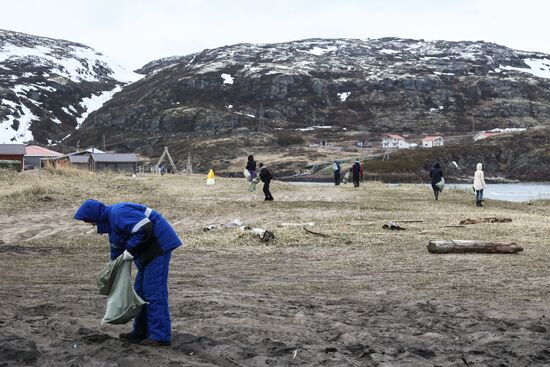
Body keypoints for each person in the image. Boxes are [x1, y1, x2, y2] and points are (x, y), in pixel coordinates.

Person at [74, 199, 182, 346]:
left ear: (95, 216)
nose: (90, 224)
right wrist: (113, 271)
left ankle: (160, 336)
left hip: (159, 247)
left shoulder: (119, 213)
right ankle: (140, 332)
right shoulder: (111, 225)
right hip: (146, 252)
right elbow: (117, 250)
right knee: (139, 292)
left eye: (89, 221)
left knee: (154, 291)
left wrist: (130, 251)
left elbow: (145, 229)